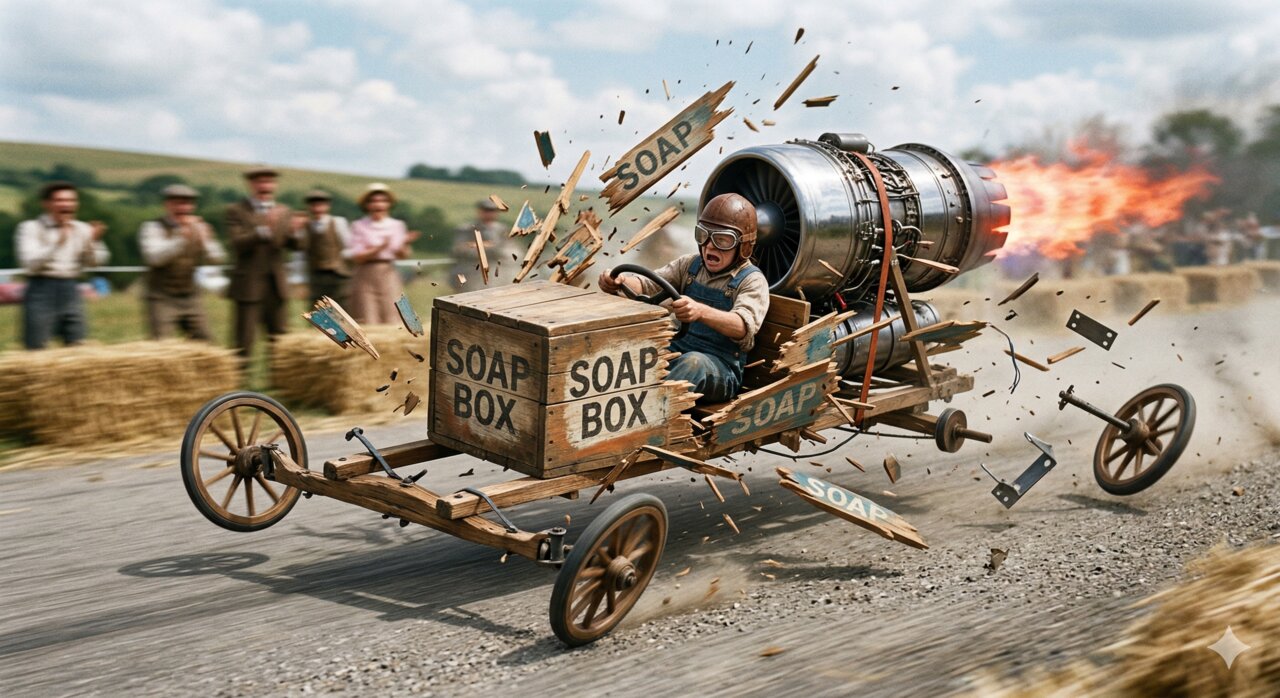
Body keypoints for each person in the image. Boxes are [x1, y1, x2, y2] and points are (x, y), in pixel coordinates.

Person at [597, 193, 769, 402]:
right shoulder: (690, 266)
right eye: (703, 235)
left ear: (743, 246)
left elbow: (742, 326)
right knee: (635, 347)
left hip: (720, 371)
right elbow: (647, 284)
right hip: (677, 352)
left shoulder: (751, 281)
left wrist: (700, 311)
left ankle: (650, 416)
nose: (709, 246)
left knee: (693, 363)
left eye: (722, 240)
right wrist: (620, 281)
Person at [14, 181, 110, 349]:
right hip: (40, 290)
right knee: (36, 348)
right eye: (60, 200)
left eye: (71, 201)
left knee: (77, 345)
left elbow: (97, 262)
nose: (67, 205)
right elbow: (29, 264)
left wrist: (92, 242)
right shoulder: (30, 228)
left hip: (71, 289)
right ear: (46, 204)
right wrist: (58, 243)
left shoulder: (82, 229)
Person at [225, 166, 305, 360]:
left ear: (274, 185)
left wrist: (297, 232)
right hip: (248, 286)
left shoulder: (285, 211)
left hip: (276, 287)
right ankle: (240, 387)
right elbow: (237, 243)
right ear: (251, 184)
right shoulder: (236, 211)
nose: (265, 186)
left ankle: (280, 385)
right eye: (260, 182)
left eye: (269, 182)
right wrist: (264, 229)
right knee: (243, 343)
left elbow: (297, 246)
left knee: (279, 342)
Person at [138, 184, 226, 340]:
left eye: (187, 204)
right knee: (162, 344)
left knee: (205, 343)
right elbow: (154, 258)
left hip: (190, 296)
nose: (183, 208)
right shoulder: (152, 227)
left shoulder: (200, 228)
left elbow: (218, 258)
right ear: (167, 205)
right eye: (177, 203)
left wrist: (206, 241)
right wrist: (181, 238)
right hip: (161, 298)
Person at [348, 183, 417, 324]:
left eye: (382, 201)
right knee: (366, 314)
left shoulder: (397, 225)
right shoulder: (359, 225)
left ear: (389, 204)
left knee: (392, 313)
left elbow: (402, 255)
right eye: (373, 201)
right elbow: (357, 256)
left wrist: (405, 244)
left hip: (389, 273)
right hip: (365, 274)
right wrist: (379, 248)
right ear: (367, 205)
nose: (378, 205)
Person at [301, 189, 351, 306]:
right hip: (316, 274)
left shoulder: (338, 223)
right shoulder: (306, 227)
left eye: (320, 205)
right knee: (318, 307)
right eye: (314, 205)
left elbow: (348, 246)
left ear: (327, 206)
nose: (317, 208)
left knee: (340, 306)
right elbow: (302, 255)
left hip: (337, 273)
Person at [451, 198, 514, 291]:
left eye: (492, 211)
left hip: (497, 274)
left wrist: (481, 247)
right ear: (479, 211)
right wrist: (488, 249)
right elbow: (460, 249)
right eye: (486, 210)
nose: (489, 214)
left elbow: (509, 252)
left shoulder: (502, 230)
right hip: (471, 273)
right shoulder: (467, 229)